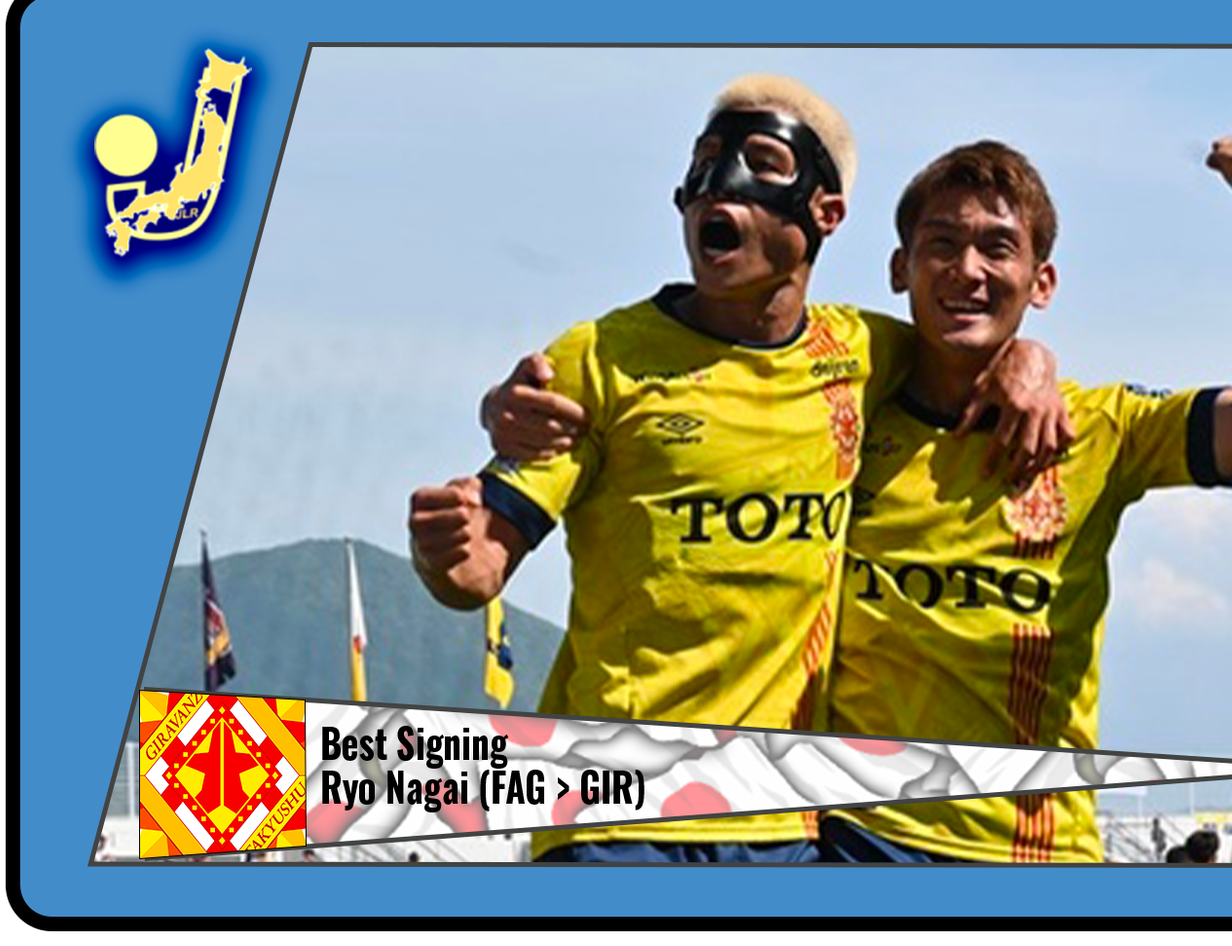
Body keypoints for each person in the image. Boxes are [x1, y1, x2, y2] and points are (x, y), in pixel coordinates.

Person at [410, 76, 1063, 864]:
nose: (720, 184)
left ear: (825, 212)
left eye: (761, 161)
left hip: (779, 825)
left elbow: (970, 350)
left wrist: (1031, 360)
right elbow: (478, 568)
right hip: (618, 819)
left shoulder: (863, 353)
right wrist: (446, 547)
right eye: (705, 160)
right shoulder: (599, 357)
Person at [815, 133, 1232, 862]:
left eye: (997, 247)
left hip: (1036, 852)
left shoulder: (1101, 430)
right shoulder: (841, 416)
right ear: (900, 268)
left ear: (1042, 282)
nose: (967, 269)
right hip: (862, 840)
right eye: (942, 243)